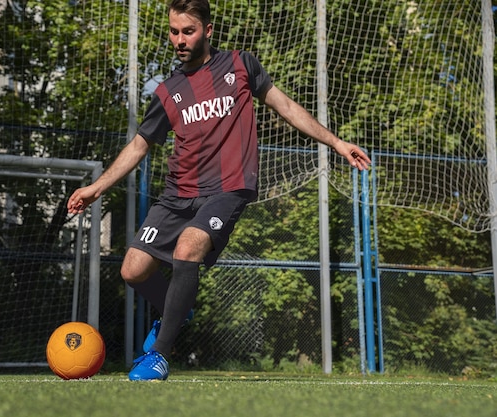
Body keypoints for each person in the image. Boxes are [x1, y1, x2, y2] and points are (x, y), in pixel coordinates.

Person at [67, 0, 371, 381]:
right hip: (178, 194)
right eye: (174, 31)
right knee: (133, 270)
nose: (179, 39)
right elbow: (140, 145)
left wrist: (337, 143)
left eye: (188, 31)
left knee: (189, 245)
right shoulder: (167, 91)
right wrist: (97, 186)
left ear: (207, 31)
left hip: (228, 188)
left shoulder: (241, 65)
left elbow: (287, 106)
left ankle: (159, 356)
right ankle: (177, 308)